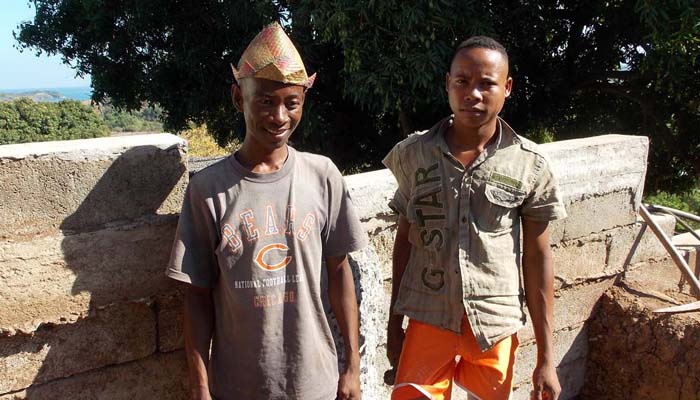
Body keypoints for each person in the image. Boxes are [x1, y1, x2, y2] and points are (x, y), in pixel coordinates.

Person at [166, 22, 367, 400]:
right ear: (238, 98)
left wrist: (352, 366)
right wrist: (199, 386)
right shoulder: (207, 191)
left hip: (315, 384)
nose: (279, 116)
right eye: (264, 101)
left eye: (291, 102)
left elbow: (340, 274)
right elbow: (195, 296)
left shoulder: (323, 176)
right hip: (239, 388)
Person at [383, 36, 567, 400]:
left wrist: (547, 358)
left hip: (494, 324)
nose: (474, 94)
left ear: (507, 87)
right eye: (462, 82)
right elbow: (406, 240)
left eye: (487, 83)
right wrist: (394, 325)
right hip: (427, 317)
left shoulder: (529, 165)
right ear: (447, 84)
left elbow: (538, 257)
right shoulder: (413, 155)